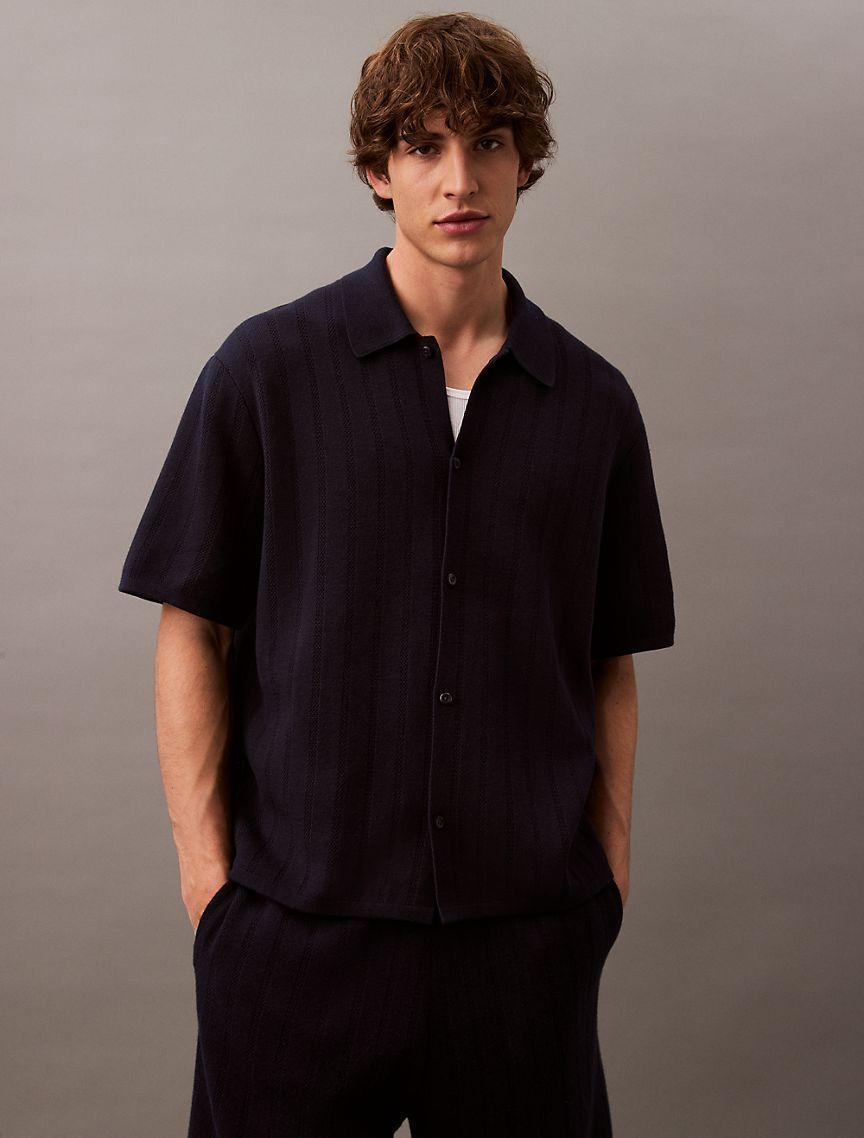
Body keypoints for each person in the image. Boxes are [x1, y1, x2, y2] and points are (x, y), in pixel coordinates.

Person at [118, 12, 675, 1137]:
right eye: (424, 146)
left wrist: (605, 870)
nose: (459, 179)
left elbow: (607, 656)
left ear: (525, 162)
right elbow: (193, 626)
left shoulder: (594, 403)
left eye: (489, 142)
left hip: (525, 946)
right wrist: (210, 889)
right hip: (296, 940)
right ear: (379, 171)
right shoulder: (268, 370)